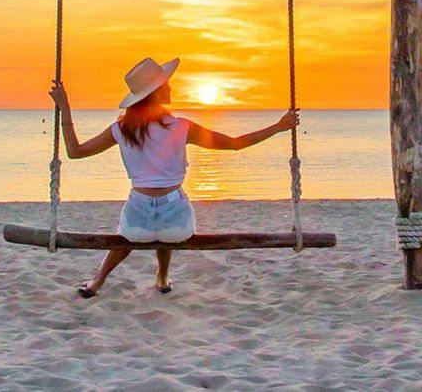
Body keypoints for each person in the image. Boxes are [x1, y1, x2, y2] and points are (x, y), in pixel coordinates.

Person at [51, 56, 298, 298]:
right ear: (156, 92)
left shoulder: (121, 129)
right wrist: (278, 127)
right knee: (167, 220)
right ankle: (162, 276)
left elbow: (75, 151)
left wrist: (64, 107)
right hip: (177, 227)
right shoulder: (181, 127)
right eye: (166, 84)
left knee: (132, 231)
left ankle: (98, 280)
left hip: (136, 227)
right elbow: (235, 144)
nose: (170, 87)